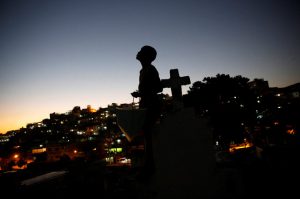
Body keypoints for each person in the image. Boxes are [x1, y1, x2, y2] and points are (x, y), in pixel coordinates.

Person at [131, 45, 162, 180]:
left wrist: (141, 93)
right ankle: (148, 165)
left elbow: (158, 87)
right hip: (146, 104)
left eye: (141, 51)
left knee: (148, 136)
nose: (138, 52)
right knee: (146, 136)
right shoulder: (143, 70)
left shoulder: (150, 69)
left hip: (150, 105)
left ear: (147, 56)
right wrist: (140, 93)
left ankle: (150, 167)